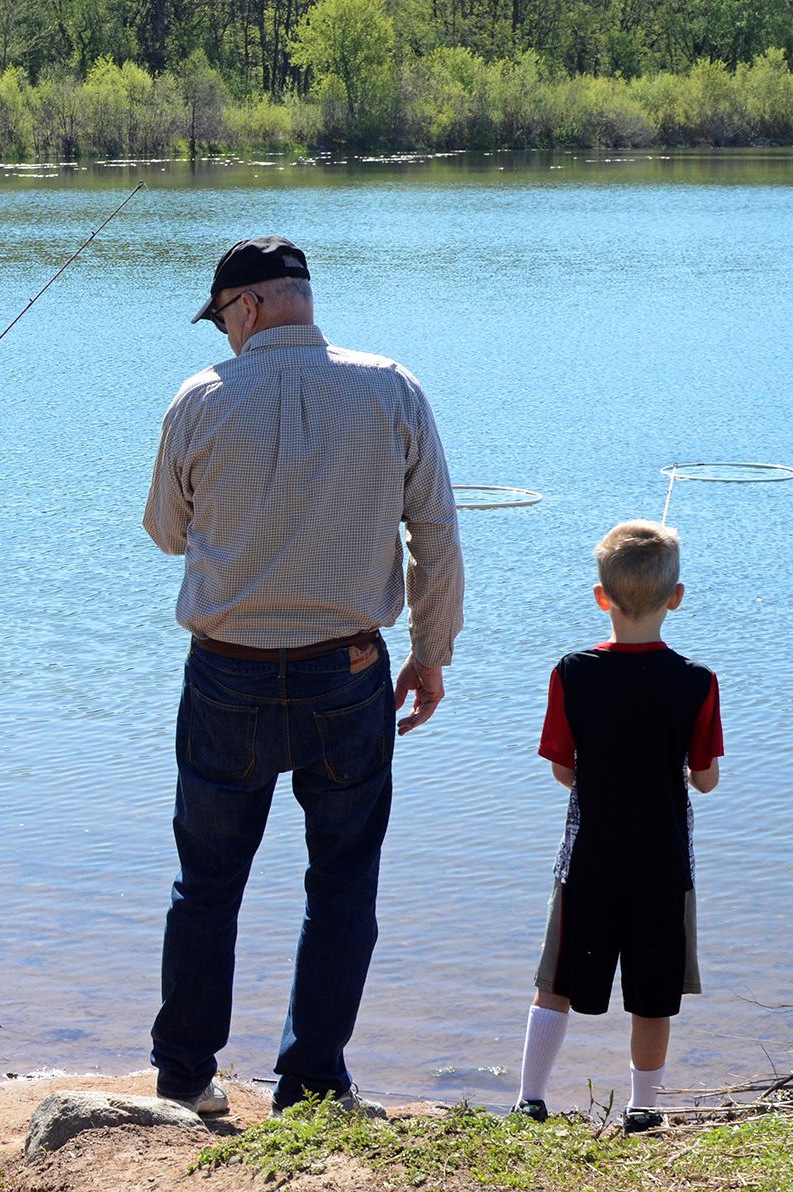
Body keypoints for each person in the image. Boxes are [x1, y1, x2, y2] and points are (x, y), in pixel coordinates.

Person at [142, 236, 465, 1117]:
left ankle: (185, 1079)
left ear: (245, 307)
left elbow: (168, 532)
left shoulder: (201, 398)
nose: (224, 333)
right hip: (349, 671)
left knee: (206, 883)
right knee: (343, 882)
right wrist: (431, 654)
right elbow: (435, 534)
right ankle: (313, 1081)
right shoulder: (393, 386)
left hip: (226, 676)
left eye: (222, 317)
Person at [511, 520, 723, 1133]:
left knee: (556, 978)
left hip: (589, 857)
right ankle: (643, 1110)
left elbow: (560, 770)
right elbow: (705, 780)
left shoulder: (571, 673)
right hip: (662, 861)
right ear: (675, 597)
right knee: (654, 993)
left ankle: (530, 1099)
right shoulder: (697, 681)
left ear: (601, 596)